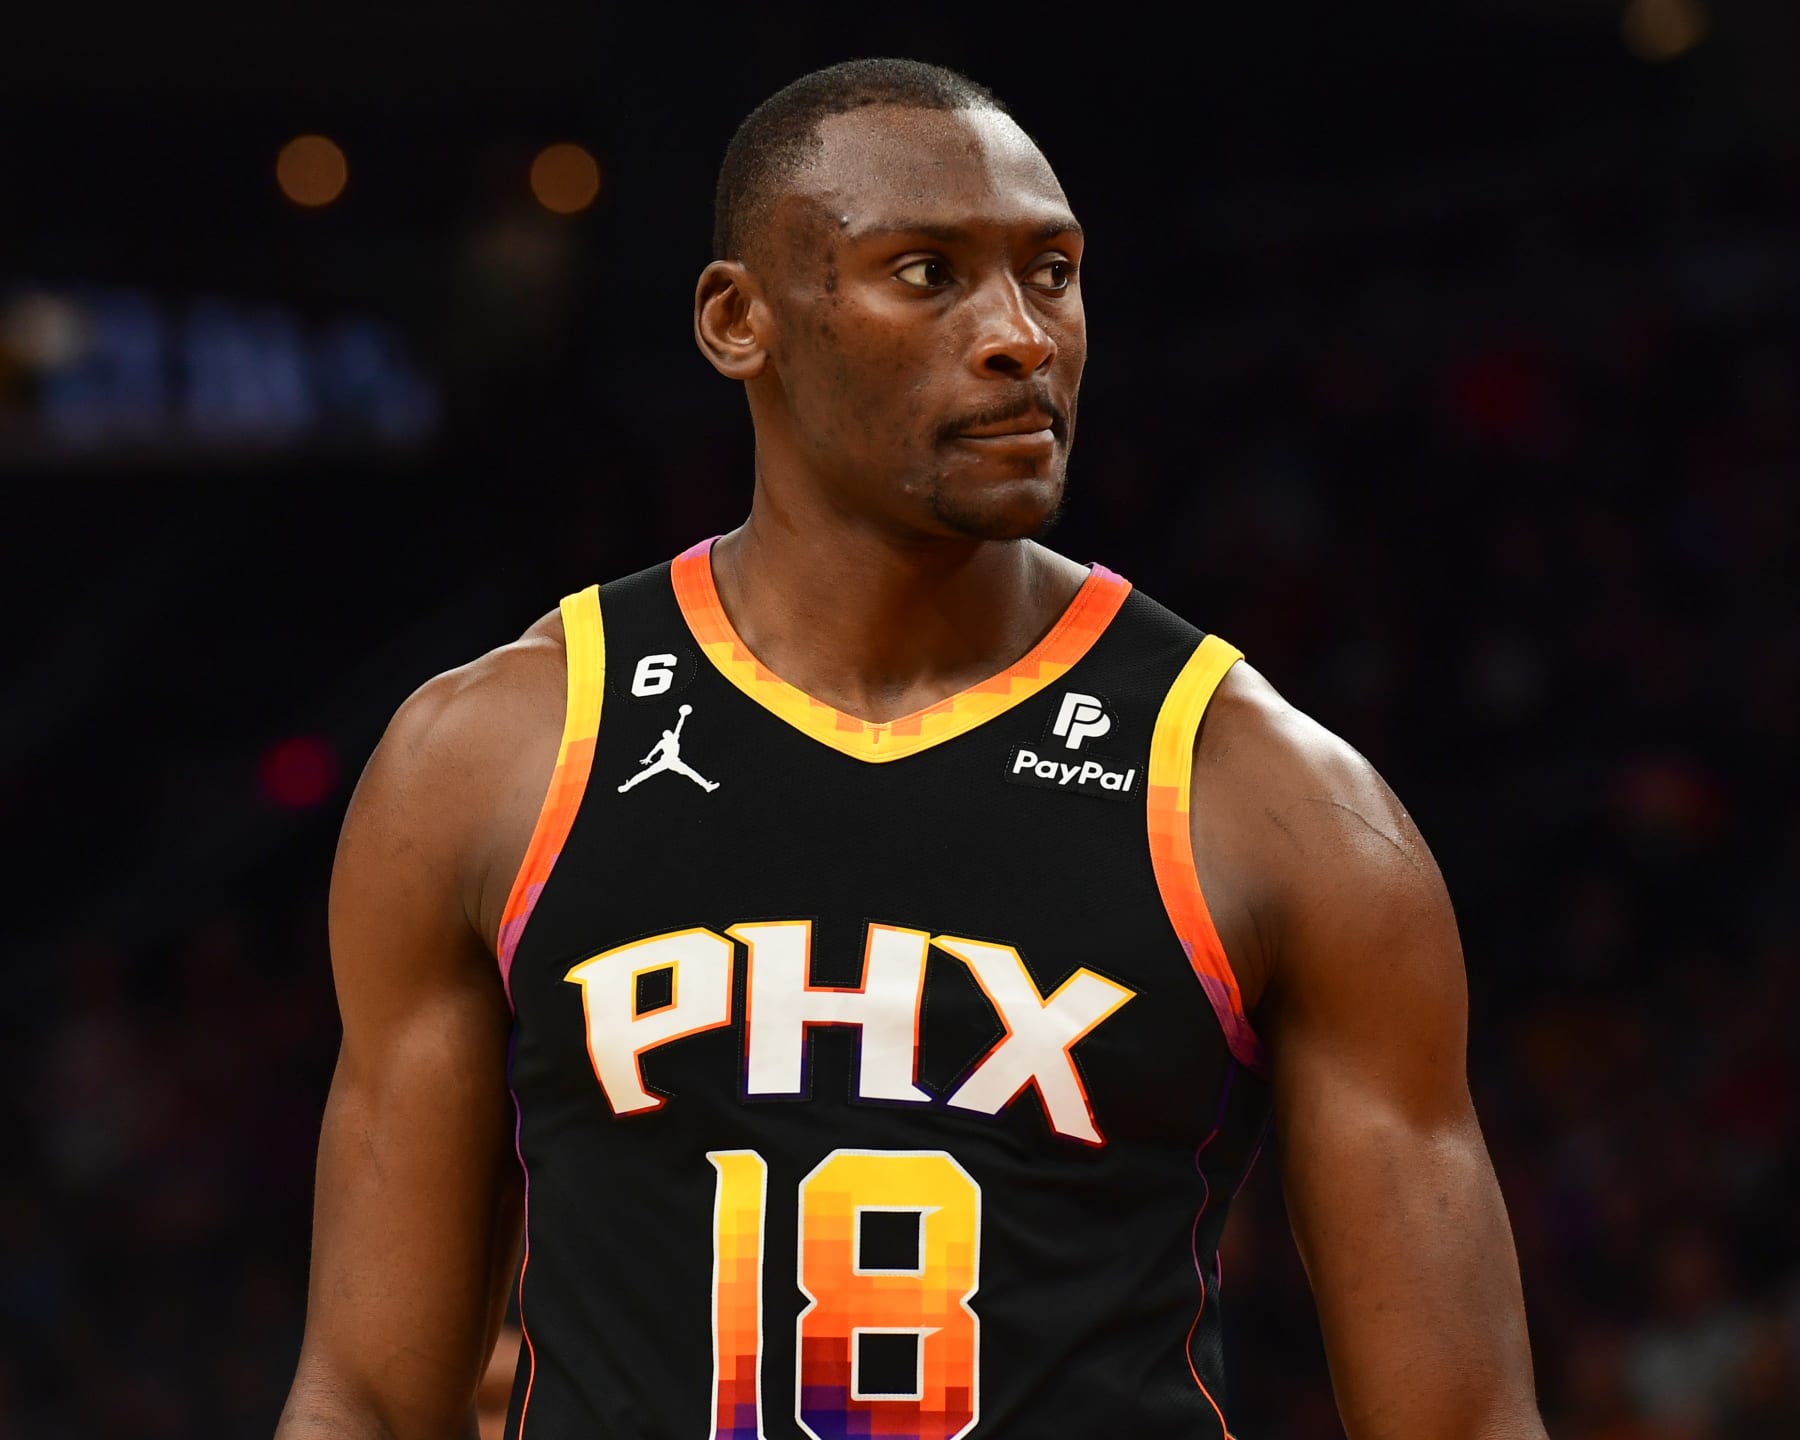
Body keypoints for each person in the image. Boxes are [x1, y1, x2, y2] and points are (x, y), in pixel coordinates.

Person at [277, 58, 1547, 1440]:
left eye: (1051, 273)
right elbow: (366, 1396)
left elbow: (1465, 1420)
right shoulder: (496, 755)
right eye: (928, 273)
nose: (1019, 335)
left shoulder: (1274, 798)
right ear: (736, 320)